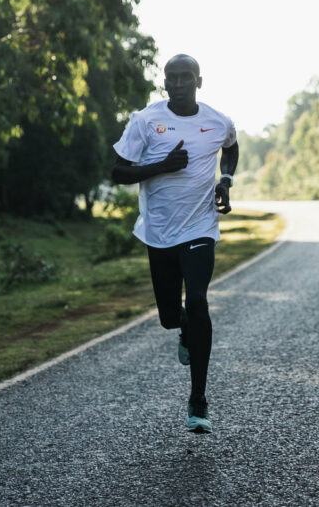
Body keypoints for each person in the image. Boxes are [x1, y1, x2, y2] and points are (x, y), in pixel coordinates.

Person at [111, 54, 238, 433]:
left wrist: (226, 179)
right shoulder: (145, 121)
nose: (179, 83)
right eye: (172, 77)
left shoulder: (217, 121)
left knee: (197, 301)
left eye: (186, 77)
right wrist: (162, 166)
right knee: (170, 317)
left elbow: (230, 147)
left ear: (199, 81)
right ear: (164, 81)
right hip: (159, 233)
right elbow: (117, 172)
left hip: (200, 228)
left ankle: (198, 401)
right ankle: (182, 327)